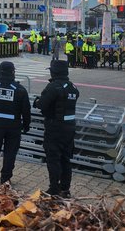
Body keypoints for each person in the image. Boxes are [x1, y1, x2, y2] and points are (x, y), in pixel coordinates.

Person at [33, 60, 79, 197]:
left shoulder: (53, 87)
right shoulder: (73, 88)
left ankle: (54, 189)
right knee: (65, 159)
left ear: (54, 72)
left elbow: (42, 104)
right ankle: (65, 189)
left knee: (53, 159)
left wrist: (36, 102)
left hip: (55, 128)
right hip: (69, 128)